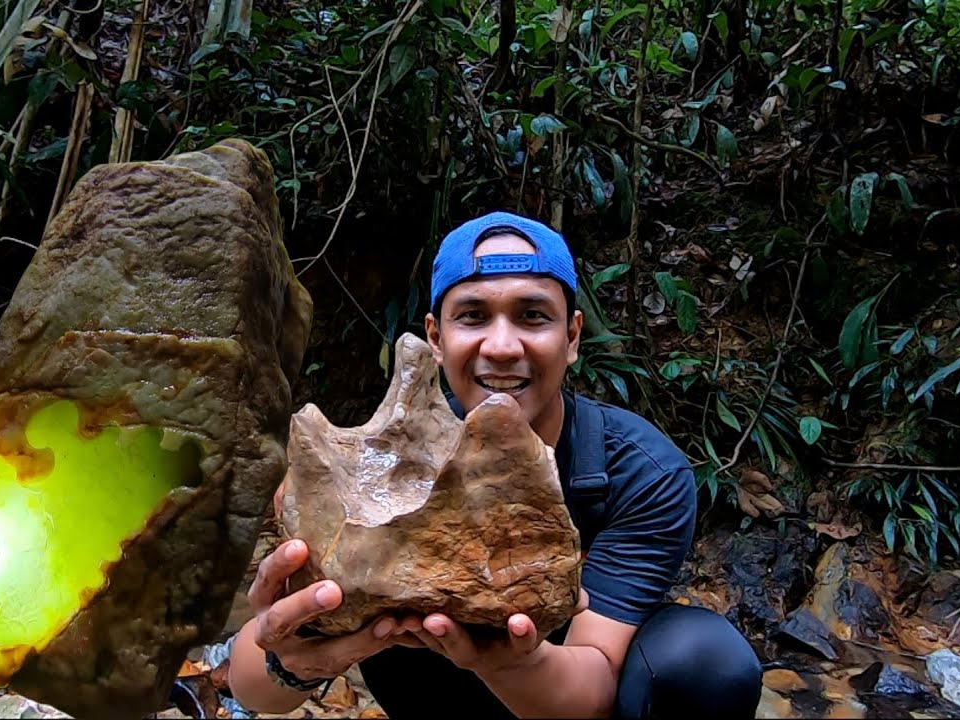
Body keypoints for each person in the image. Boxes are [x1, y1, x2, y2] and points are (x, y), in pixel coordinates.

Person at [227, 211, 763, 719]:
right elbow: (249, 686)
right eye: (473, 316)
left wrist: (505, 659)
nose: (503, 347)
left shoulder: (641, 474)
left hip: (554, 695)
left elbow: (596, 688)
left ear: (572, 336)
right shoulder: (370, 467)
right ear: (437, 339)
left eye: (532, 316)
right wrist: (293, 656)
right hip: (432, 699)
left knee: (703, 662)